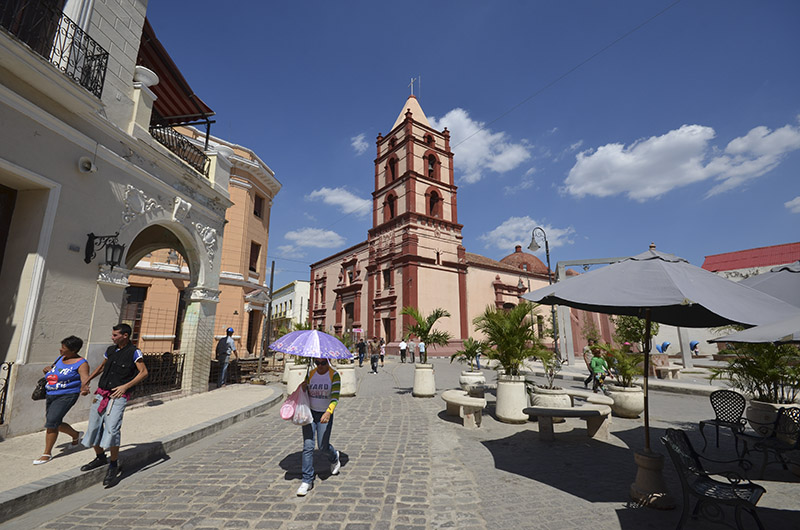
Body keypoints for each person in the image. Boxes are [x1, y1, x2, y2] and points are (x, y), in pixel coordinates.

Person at [80, 323, 148, 486]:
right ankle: (100, 457)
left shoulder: (134, 352)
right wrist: (87, 381)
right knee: (94, 428)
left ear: (125, 335)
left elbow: (144, 372)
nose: (112, 337)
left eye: (115, 335)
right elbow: (101, 367)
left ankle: (113, 464)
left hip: (117, 397)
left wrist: (125, 386)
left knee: (112, 430)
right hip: (100, 394)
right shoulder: (110, 350)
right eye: (112, 335)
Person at [34, 336, 90, 465]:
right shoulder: (60, 358)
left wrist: (85, 388)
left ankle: (46, 454)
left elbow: (85, 378)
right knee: (54, 422)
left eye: (64, 348)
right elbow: (55, 373)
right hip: (51, 393)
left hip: (67, 395)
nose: (60, 349)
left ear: (73, 350)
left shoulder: (81, 363)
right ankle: (76, 435)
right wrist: (47, 370)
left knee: (52, 422)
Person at [297, 357, 341, 496]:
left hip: (325, 414)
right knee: (308, 446)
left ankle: (334, 457)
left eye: (323, 363)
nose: (320, 366)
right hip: (309, 414)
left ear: (328, 362)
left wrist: (329, 412)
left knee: (322, 446)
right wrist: (303, 386)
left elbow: (335, 397)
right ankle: (307, 480)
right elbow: (305, 392)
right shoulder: (311, 374)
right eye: (317, 363)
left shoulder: (334, 375)